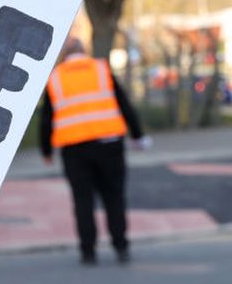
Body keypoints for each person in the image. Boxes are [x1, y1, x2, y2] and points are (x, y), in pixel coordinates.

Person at [40, 37, 150, 265]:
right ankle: (121, 247)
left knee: (83, 201)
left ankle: (88, 252)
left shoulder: (55, 78)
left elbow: (47, 119)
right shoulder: (101, 70)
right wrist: (138, 135)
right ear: (84, 50)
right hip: (109, 145)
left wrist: (46, 150)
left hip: (74, 149)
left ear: (64, 54)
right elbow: (124, 104)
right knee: (114, 197)